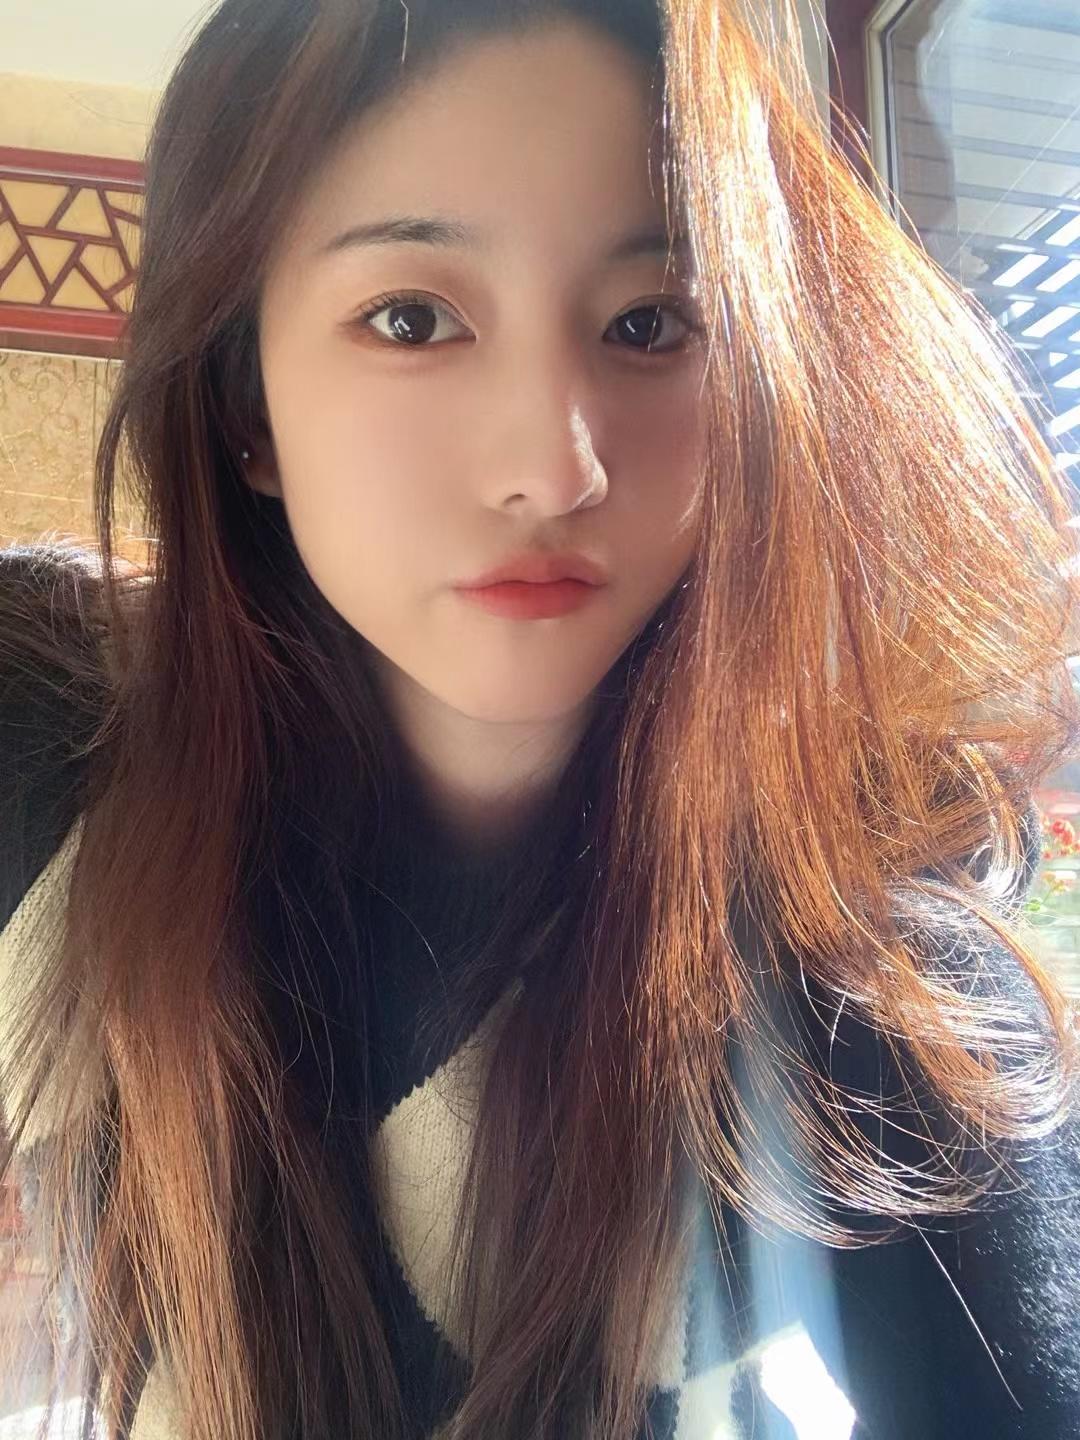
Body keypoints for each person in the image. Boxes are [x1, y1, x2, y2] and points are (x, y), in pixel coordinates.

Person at [1, 0, 1078, 1436]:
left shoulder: (874, 1008)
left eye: (650, 323)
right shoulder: (53, 742)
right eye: (412, 318)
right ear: (245, 403)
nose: (558, 468)